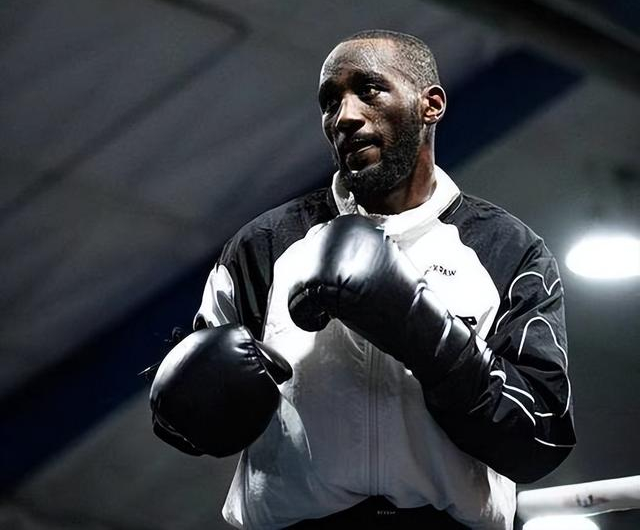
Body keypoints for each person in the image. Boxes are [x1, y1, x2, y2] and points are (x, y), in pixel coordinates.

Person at [149, 30, 576, 529]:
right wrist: (194, 401)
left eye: (369, 90)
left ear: (431, 105)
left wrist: (425, 333)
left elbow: (542, 436)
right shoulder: (265, 244)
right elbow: (184, 421)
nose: (345, 117)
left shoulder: (507, 249)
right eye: (330, 102)